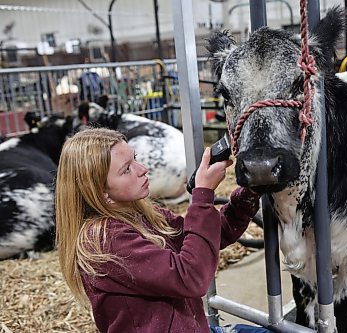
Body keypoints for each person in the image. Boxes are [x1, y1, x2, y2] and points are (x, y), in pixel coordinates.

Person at [55, 127, 270, 333]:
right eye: (126, 169)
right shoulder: (104, 241)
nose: (143, 170)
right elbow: (191, 277)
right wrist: (203, 194)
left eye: (135, 159)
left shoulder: (142, 214)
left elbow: (209, 237)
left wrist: (250, 191)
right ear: (101, 194)